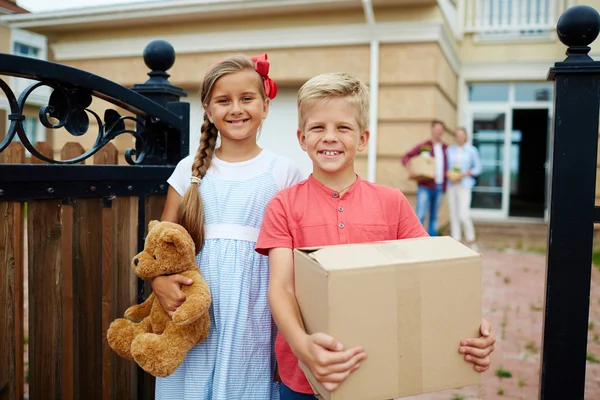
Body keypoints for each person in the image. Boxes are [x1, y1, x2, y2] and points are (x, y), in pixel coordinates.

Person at [256, 73, 496, 399]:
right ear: (301, 138)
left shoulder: (391, 202)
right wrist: (303, 346)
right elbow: (281, 288)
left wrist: (468, 324)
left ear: (363, 138)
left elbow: (434, 274)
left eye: (343, 128)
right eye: (317, 128)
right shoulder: (283, 205)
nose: (329, 137)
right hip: (303, 376)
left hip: (376, 371)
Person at [151, 53, 304, 400]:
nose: (236, 108)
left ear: (265, 105)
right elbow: (161, 244)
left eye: (247, 98)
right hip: (193, 306)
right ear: (208, 109)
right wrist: (159, 280)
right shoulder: (188, 170)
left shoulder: (284, 172)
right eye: (224, 100)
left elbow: (297, 253)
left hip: (254, 308)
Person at [401, 120, 448, 236]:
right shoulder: (424, 146)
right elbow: (406, 157)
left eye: (441, 130)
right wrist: (411, 170)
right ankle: (417, 240)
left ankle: (432, 241)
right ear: (432, 130)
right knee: (420, 215)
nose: (439, 132)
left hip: (440, 186)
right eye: (437, 130)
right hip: (425, 186)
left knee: (434, 217)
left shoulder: (446, 148)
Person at [446, 127, 482, 247]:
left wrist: (465, 174)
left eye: (462, 135)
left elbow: (478, 168)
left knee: (463, 214)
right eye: (458, 135)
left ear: (465, 136)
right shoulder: (450, 150)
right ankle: (456, 239)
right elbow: (446, 166)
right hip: (452, 184)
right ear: (455, 137)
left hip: (464, 184)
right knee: (453, 212)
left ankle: (470, 238)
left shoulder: (472, 150)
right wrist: (449, 173)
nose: (460, 137)